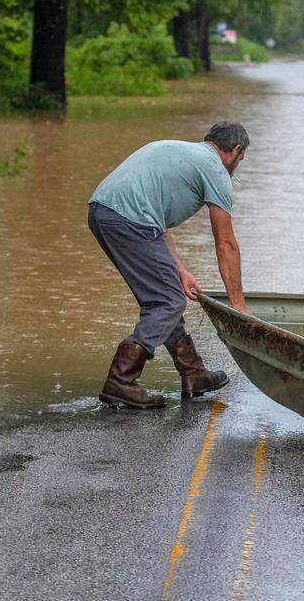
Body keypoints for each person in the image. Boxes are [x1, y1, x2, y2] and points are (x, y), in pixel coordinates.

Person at [88, 122, 251, 409]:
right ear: (236, 150)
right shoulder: (215, 170)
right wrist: (238, 305)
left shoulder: (178, 151)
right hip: (129, 219)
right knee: (168, 301)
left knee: (164, 296)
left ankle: (193, 373)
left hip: (102, 211)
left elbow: (156, 221)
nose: (240, 162)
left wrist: (180, 270)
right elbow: (225, 243)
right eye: (242, 156)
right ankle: (121, 380)